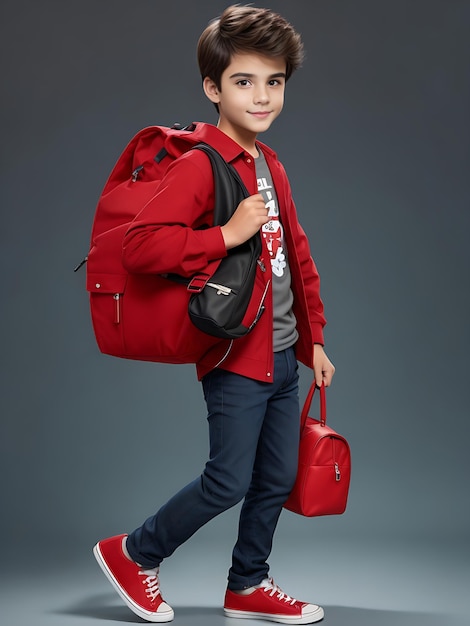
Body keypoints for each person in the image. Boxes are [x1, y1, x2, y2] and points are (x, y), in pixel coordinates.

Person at [93, 5, 335, 624]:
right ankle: (132, 552)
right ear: (213, 87)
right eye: (243, 82)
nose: (261, 96)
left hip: (284, 355)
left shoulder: (272, 163)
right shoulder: (201, 163)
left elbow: (296, 257)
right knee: (227, 480)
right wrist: (225, 235)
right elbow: (139, 246)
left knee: (276, 479)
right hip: (235, 352)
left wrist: (314, 344)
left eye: (274, 82)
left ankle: (247, 583)